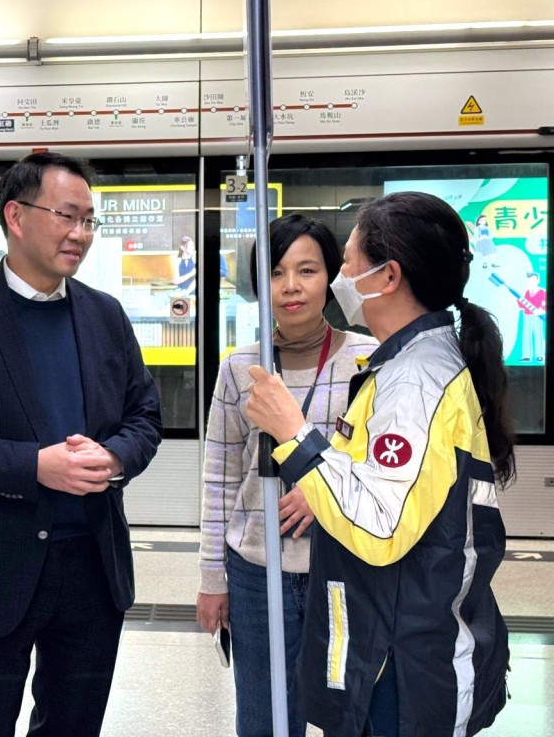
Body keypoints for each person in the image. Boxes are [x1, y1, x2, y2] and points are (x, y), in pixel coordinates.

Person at [0, 151, 162, 737]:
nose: (81, 234)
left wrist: (116, 455)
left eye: (90, 220)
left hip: (92, 571)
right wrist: (34, 466)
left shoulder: (105, 315)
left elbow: (144, 414)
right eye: (68, 216)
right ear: (15, 217)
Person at [246, 191, 513, 737]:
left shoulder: (416, 381)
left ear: (387, 277)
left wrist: (293, 434)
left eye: (347, 261)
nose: (341, 275)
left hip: (404, 659)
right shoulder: (404, 365)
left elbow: (379, 523)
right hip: (393, 636)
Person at [197, 214, 376, 737]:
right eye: (276, 272)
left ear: (331, 278)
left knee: (352, 712)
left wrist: (322, 494)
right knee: (265, 715)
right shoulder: (241, 367)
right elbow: (219, 476)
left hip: (344, 567)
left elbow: (381, 471)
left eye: (307, 270)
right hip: (257, 570)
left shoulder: (366, 360)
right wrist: (213, 579)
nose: (292, 286)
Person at [518, 271, 546, 362]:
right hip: (527, 316)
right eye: (529, 280)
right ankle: (526, 356)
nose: (531, 282)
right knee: (526, 335)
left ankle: (540, 355)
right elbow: (522, 305)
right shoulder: (527, 292)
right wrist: (520, 301)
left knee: (538, 335)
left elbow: (545, 305)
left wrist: (540, 310)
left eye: (533, 280)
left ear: (537, 280)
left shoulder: (542, 292)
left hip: (537, 317)